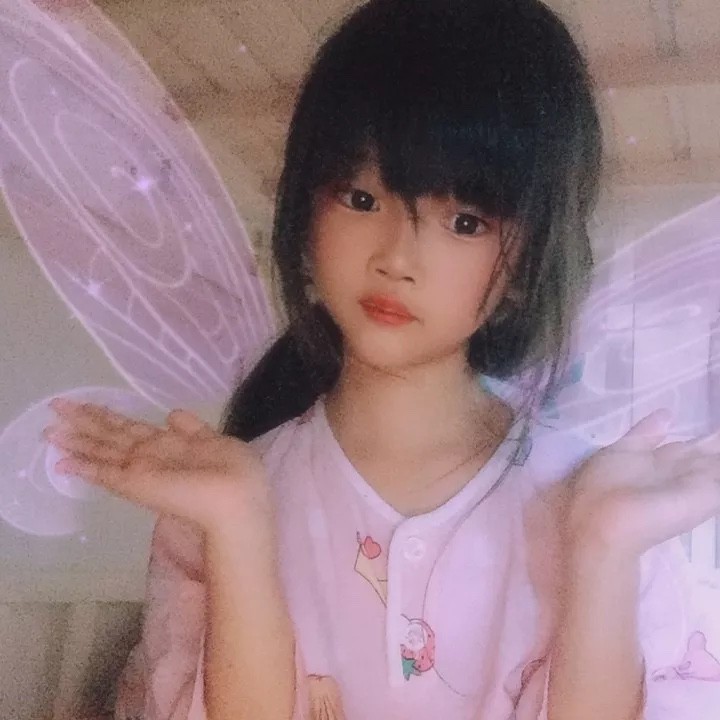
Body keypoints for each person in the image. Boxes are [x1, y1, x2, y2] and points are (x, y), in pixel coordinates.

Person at [45, 1, 720, 718]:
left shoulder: (597, 503)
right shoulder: (216, 501)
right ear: (306, 213)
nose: (397, 257)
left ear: (530, 262)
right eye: (361, 197)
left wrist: (606, 548)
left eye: (465, 221)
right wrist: (238, 525)